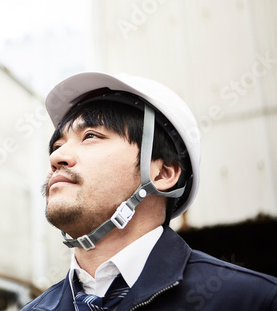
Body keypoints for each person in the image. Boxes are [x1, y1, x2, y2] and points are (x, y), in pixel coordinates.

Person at [21, 72, 277, 311]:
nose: (57, 157)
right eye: (57, 145)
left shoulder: (252, 300)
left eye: (90, 136)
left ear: (162, 174)